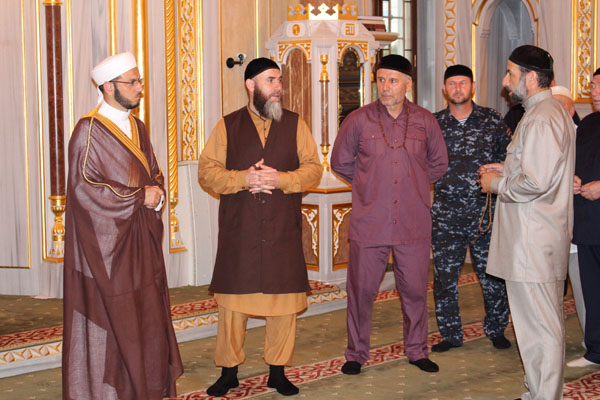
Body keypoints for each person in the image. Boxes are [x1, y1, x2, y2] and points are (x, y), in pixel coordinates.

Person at [197, 57, 322, 397]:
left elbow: (313, 169)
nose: (278, 87)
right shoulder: (228, 125)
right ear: (250, 85)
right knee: (233, 306)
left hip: (282, 229)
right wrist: (244, 179)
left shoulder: (295, 123)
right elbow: (207, 172)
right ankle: (228, 372)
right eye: (270, 80)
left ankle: (277, 373)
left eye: (279, 80)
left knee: (283, 305)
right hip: (241, 231)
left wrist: (281, 179)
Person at [62, 52, 183, 399]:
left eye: (139, 80)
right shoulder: (88, 130)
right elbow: (85, 188)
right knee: (117, 320)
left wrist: (156, 192)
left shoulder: (137, 127)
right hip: (109, 251)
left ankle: (144, 388)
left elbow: (153, 172)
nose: (140, 88)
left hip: (141, 241)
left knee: (146, 319)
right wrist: (138, 197)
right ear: (108, 87)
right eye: (132, 82)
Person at [330, 54, 448, 375]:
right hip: (370, 222)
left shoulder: (425, 120)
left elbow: (439, 162)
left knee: (414, 292)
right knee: (361, 291)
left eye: (393, 81)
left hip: (413, 222)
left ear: (408, 84)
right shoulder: (358, 119)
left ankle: (417, 350)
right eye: (381, 80)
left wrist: (415, 184)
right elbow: (340, 161)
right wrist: (368, 182)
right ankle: (355, 354)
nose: (385, 87)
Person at [479, 45, 576, 400]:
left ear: (531, 77)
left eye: (511, 73)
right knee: (536, 328)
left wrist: (496, 184)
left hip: (533, 241)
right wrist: (506, 168)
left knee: (540, 329)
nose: (506, 82)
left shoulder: (541, 117)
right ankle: (537, 392)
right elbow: (540, 168)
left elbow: (536, 182)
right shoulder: (543, 112)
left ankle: (544, 395)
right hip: (534, 238)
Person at [431, 65, 511, 353]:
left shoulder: (492, 119)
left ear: (472, 86)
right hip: (445, 215)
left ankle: (496, 328)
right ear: (445, 89)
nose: (457, 89)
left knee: (492, 277)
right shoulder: (434, 123)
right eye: (452, 84)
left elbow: (510, 159)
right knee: (444, 279)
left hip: (484, 214)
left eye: (462, 83)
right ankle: (451, 334)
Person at [568, 67, 600, 368]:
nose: (594, 92)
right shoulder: (588, 124)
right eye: (592, 85)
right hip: (589, 222)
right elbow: (575, 162)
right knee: (592, 290)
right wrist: (574, 179)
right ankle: (596, 350)